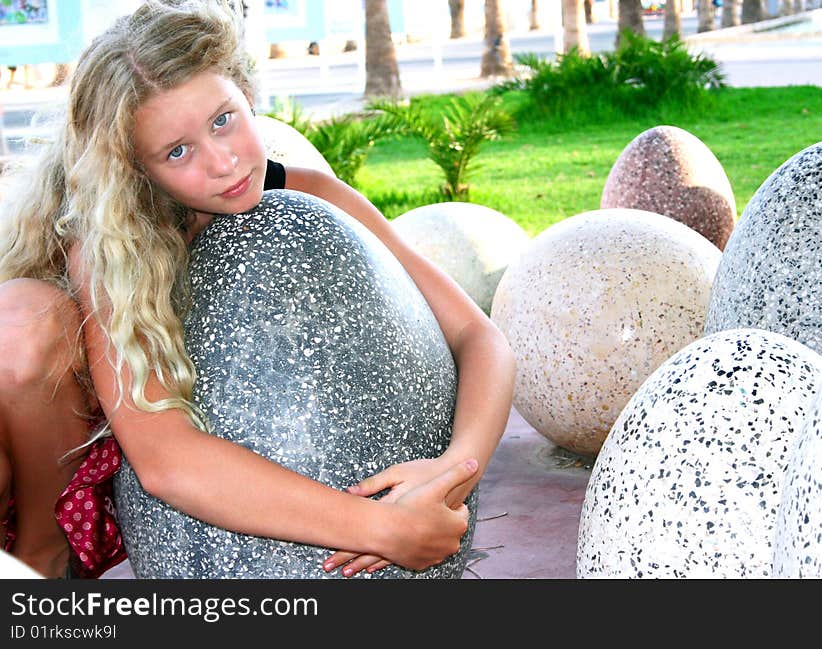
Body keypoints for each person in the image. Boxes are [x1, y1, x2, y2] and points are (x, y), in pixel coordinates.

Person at [0, 0, 515, 579]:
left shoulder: (315, 194)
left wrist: (453, 470)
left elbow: (478, 333)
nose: (223, 161)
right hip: (56, 453)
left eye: (223, 118)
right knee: (22, 322)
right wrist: (385, 528)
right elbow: (167, 461)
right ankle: (38, 561)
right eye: (178, 151)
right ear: (136, 170)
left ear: (245, 90)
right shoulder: (111, 244)